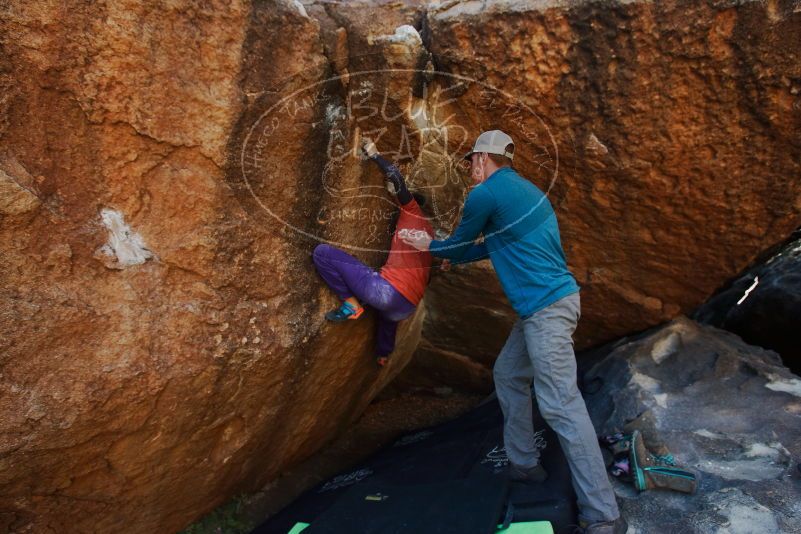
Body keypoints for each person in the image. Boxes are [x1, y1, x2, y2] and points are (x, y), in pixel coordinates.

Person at [401, 130, 625, 534]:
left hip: (547, 310)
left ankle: (604, 514)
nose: (469, 168)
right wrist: (446, 251)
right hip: (544, 308)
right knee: (508, 374)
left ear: (484, 160)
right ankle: (524, 465)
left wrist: (426, 243)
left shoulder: (485, 194)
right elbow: (482, 248)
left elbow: (455, 247)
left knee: (561, 405)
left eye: (471, 161)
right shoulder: (524, 192)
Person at [312, 138, 440, 367]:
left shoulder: (411, 211)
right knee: (386, 314)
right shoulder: (429, 236)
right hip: (405, 308)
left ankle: (350, 304)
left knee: (322, 253)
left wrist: (375, 155)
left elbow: (397, 180)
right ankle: (383, 353)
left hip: (388, 293)